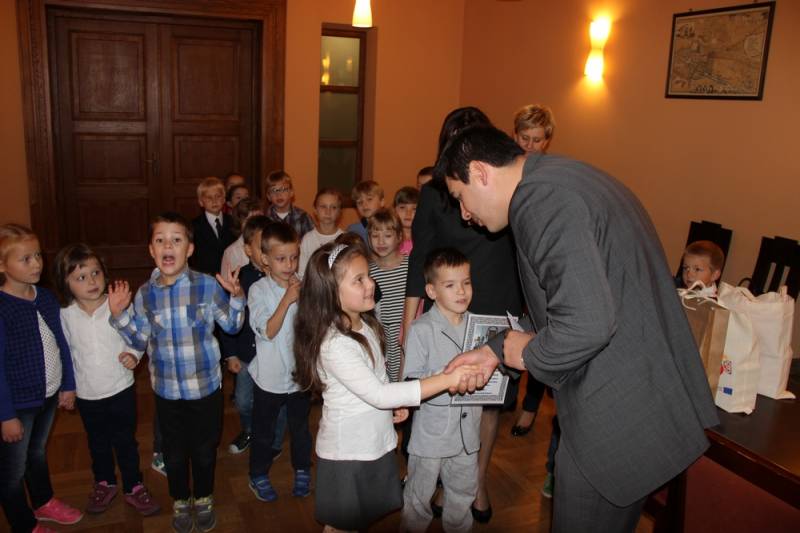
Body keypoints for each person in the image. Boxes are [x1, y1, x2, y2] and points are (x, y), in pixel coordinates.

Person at [437, 125, 719, 533]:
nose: (465, 214)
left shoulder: (540, 201)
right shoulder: (564, 176)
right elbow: (570, 298)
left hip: (614, 419)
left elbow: (587, 324)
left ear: (480, 172)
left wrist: (526, 353)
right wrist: (495, 349)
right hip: (645, 397)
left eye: (460, 197)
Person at [293, 238, 479, 532]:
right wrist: (447, 379)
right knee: (341, 526)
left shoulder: (365, 325)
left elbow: (377, 381)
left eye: (369, 275)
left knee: (360, 520)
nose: (371, 283)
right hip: (348, 452)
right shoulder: (335, 344)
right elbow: (379, 394)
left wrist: (395, 404)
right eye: (359, 280)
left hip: (372, 443)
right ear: (331, 292)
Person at [403, 107, 523, 523]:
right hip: (448, 300)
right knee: (446, 388)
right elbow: (420, 256)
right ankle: (438, 474)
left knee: (487, 401)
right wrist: (409, 320)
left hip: (497, 300)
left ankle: (476, 478)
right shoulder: (435, 193)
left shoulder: (506, 188)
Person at [108, 212, 244, 533]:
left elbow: (232, 326)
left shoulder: (207, 286)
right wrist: (118, 315)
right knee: (173, 452)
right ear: (151, 250)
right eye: (160, 240)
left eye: (176, 240)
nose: (168, 246)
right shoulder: (145, 294)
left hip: (205, 389)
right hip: (167, 391)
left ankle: (204, 496)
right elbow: (139, 338)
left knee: (204, 450)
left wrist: (236, 296)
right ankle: (181, 498)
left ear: (190, 249)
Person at [55, 243, 160, 517]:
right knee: (97, 442)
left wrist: (133, 355)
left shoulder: (117, 305)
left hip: (120, 388)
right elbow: (65, 354)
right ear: (66, 283)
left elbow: (137, 336)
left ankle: (134, 485)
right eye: (81, 277)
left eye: (96, 273)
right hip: (87, 394)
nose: (91, 281)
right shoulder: (65, 315)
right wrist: (67, 388)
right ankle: (105, 482)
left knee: (125, 441)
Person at [0, 224, 83, 533]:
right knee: (12, 471)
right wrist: (6, 415)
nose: (36, 263)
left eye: (37, 255)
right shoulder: (3, 308)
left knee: (37, 452)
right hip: (16, 405)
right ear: (2, 265)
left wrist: (68, 384)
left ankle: (43, 501)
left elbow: (62, 344)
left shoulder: (46, 298)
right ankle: (24, 524)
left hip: (48, 394)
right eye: (25, 259)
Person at [401, 248, 481, 533]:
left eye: (466, 282)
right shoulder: (421, 329)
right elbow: (411, 382)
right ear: (431, 291)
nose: (461, 291)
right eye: (450, 285)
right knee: (418, 496)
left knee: (463, 493)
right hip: (431, 436)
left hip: (468, 435)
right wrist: (446, 376)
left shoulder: (479, 327)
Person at [246, 222, 312, 502]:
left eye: (294, 257)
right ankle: (258, 473)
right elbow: (268, 331)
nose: (289, 265)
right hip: (269, 378)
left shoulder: (304, 285)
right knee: (264, 432)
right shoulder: (258, 291)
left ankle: (302, 469)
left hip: (299, 376)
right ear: (265, 259)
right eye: (281, 259)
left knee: (300, 429)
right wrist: (287, 299)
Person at [220, 215, 278, 456]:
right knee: (244, 400)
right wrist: (230, 353)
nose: (266, 251)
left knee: (272, 400)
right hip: (245, 352)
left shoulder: (282, 276)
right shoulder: (239, 277)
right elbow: (227, 318)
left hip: (273, 353)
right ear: (247, 250)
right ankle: (249, 430)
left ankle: (271, 438)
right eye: (260, 245)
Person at [368, 208, 408, 382]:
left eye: (387, 235)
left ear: (399, 236)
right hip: (382, 337)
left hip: (406, 334)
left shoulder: (410, 266)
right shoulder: (368, 271)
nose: (381, 241)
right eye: (375, 236)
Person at [190, 176, 237, 276]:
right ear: (201, 202)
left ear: (224, 199)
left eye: (218, 196)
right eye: (209, 198)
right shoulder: (194, 226)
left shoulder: (233, 222)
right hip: (205, 276)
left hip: (230, 275)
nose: (214, 201)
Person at [298, 188, 344, 278]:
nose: (328, 212)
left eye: (333, 207)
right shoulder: (307, 239)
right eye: (323, 206)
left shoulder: (344, 238)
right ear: (315, 210)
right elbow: (302, 274)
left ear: (339, 212)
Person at [221, 198, 264, 284]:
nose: (254, 225)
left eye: (258, 219)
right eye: (248, 220)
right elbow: (227, 283)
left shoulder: (272, 243)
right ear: (239, 222)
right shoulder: (231, 252)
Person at [262, 170, 314, 239]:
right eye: (274, 190)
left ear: (291, 192)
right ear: (268, 196)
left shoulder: (303, 218)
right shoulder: (264, 219)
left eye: (283, 189)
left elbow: (312, 242)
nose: (279, 194)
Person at [347, 180, 384, 245]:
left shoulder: (391, 226)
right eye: (360, 202)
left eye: (369, 199)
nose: (364, 205)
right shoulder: (353, 230)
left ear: (382, 202)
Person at [394, 187, 420, 256]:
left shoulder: (425, 240)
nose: (408, 213)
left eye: (414, 209)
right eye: (402, 207)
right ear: (394, 210)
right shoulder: (390, 239)